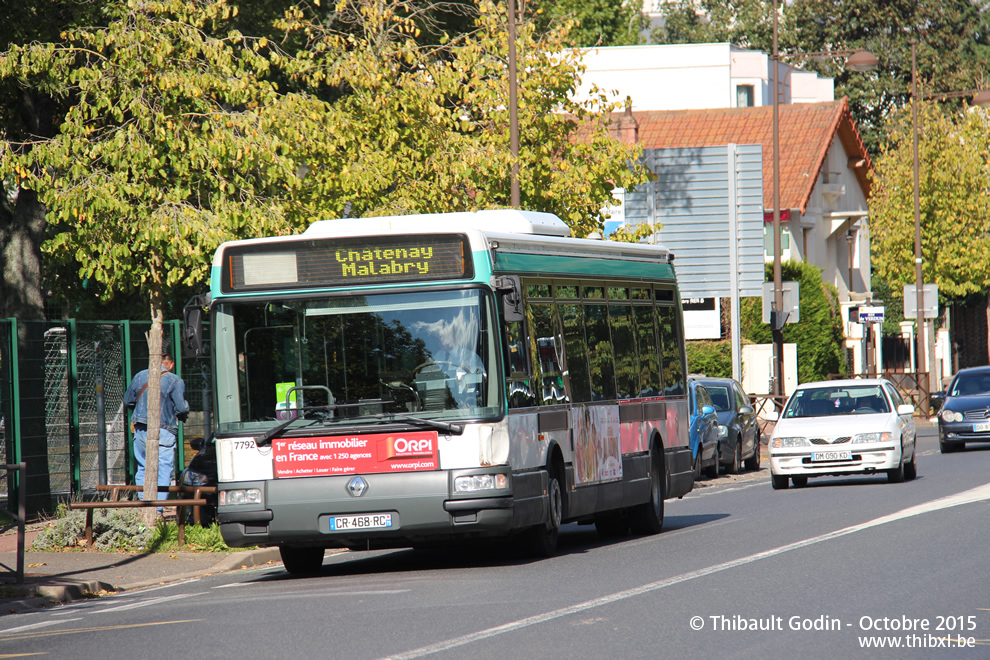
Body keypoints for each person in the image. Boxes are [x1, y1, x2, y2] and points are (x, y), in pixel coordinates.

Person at [124, 353, 189, 504]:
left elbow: (128, 401)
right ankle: (158, 507)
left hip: (140, 429)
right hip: (165, 430)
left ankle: (144, 504)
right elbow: (181, 409)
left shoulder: (140, 376)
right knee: (164, 469)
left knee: (143, 466)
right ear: (170, 365)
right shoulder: (175, 380)